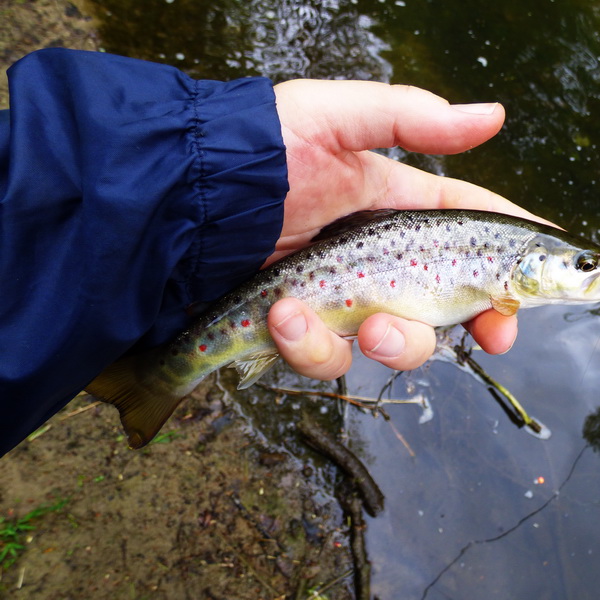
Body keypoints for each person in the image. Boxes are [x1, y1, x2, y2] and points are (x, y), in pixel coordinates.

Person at [0, 48, 546, 457]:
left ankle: (153, 373)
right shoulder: (495, 271)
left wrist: (210, 193)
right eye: (582, 266)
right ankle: (156, 377)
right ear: (527, 263)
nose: (586, 274)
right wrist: (218, 179)